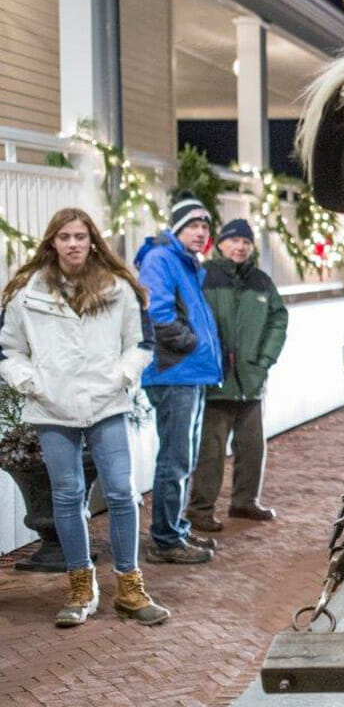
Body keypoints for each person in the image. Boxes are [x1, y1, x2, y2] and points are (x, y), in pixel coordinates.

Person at [0, 208, 171, 626]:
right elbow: (9, 350)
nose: (73, 243)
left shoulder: (118, 289)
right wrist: (31, 383)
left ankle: (129, 587)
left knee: (120, 492)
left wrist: (121, 377)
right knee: (66, 494)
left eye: (79, 236)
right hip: (51, 407)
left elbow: (141, 343)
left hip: (106, 403)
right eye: (64, 237)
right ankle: (80, 586)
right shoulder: (27, 292)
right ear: (52, 243)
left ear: (92, 240)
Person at [135, 192, 223, 564]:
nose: (202, 232)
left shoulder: (187, 264)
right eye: (194, 225)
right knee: (175, 459)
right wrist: (190, 345)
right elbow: (158, 313)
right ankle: (165, 540)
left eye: (205, 226)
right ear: (177, 228)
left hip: (191, 374)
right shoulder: (160, 259)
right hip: (175, 373)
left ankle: (175, 531)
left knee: (183, 457)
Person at [187, 219, 288, 531]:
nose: (240, 247)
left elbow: (278, 319)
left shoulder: (261, 282)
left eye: (246, 241)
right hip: (216, 381)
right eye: (234, 241)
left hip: (252, 381)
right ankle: (200, 510)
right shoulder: (204, 276)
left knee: (253, 446)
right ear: (220, 244)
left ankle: (244, 502)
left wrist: (264, 361)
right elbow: (193, 319)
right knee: (211, 451)